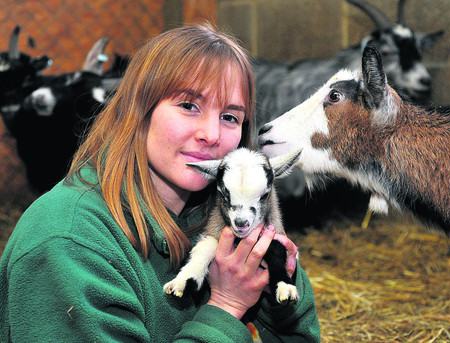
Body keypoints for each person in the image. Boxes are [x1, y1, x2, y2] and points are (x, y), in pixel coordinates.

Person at [0, 23, 320, 342]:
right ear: (140, 110)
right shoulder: (68, 245)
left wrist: (279, 284)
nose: (211, 135)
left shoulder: (224, 212)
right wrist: (227, 306)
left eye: (230, 117)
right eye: (188, 106)